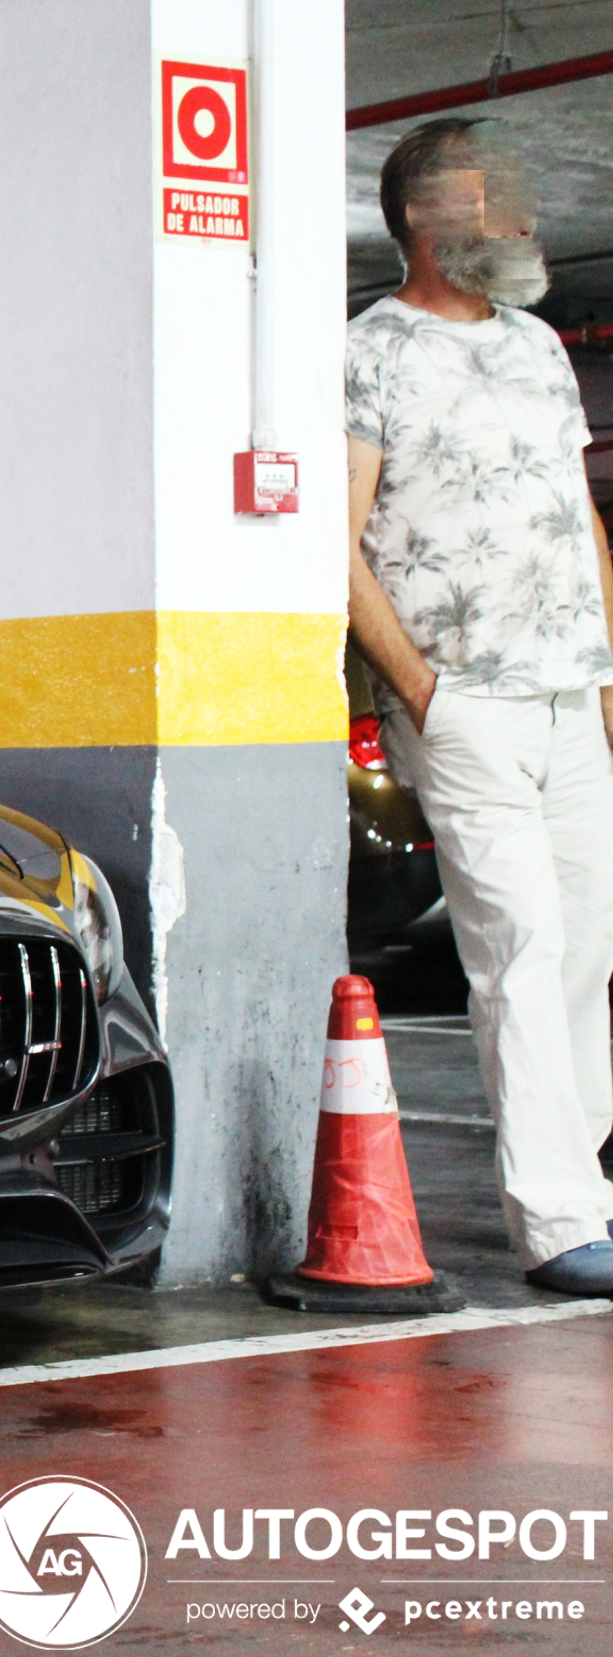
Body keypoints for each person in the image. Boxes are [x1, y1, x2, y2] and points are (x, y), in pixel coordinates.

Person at [346, 118, 613, 1295]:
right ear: (419, 219)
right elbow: (330, 540)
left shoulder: (539, 346)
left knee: (586, 953)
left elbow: (574, 509)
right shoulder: (368, 352)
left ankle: (583, 1180)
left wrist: (606, 668)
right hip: (463, 704)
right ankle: (555, 1220)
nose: (510, 219)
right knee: (518, 946)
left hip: (569, 689)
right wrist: (418, 689)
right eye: (481, 200)